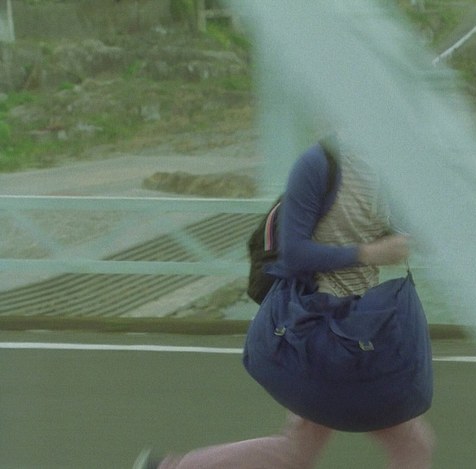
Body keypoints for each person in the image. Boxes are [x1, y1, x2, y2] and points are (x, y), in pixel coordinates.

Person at [134, 138, 434, 469]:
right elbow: (293, 253)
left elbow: (401, 233)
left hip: (358, 325)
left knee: (298, 452)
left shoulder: (384, 169)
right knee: (412, 444)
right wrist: (369, 253)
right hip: (320, 328)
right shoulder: (318, 165)